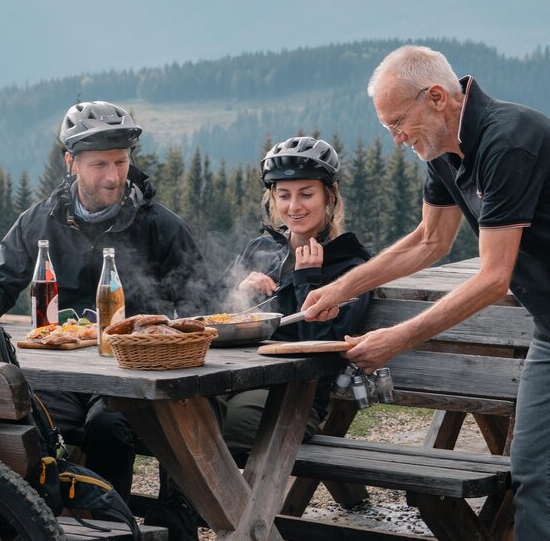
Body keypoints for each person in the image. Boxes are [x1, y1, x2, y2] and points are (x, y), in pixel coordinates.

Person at [302, 45, 550, 539]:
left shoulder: (509, 141)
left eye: (398, 122)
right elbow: (429, 240)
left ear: (437, 97)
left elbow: (492, 278)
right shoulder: (442, 149)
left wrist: (399, 338)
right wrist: (340, 287)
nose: (396, 139)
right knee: (535, 476)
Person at [0, 100, 207, 538]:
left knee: (107, 425)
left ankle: (108, 527)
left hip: (130, 376)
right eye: (100, 164)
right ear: (71, 162)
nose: (114, 176)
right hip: (59, 376)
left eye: (121, 162)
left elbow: (198, 305)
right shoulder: (40, 220)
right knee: (17, 419)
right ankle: (40, 523)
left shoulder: (160, 226)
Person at [214, 137, 372, 464]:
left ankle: (227, 514)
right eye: (284, 195)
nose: (294, 207)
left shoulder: (352, 266)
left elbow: (325, 348)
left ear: (330, 195)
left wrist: (307, 280)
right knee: (182, 412)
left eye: (306, 194)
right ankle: (177, 513)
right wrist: (238, 294)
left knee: (221, 431)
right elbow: (208, 317)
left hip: (295, 393)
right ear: (272, 198)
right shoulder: (260, 249)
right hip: (233, 374)